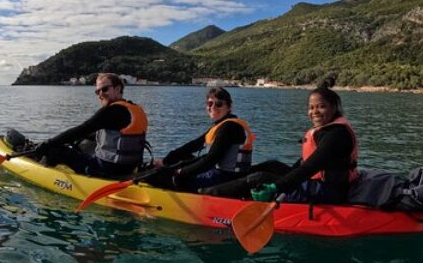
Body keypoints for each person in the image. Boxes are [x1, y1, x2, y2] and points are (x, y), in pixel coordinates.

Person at [203, 82, 358, 205]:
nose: (315, 111)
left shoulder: (337, 134)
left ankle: (209, 195)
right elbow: (305, 162)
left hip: (329, 191)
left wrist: (276, 186)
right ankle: (227, 187)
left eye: (321, 106)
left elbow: (309, 167)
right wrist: (281, 179)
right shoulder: (325, 130)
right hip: (316, 182)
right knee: (271, 165)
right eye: (311, 108)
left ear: (334, 108)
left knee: (259, 178)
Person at [31, 73, 148, 178]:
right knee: (84, 143)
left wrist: (48, 144)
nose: (101, 94)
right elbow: (99, 134)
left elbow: (80, 130)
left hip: (105, 171)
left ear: (118, 89)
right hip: (129, 169)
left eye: (105, 89)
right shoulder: (135, 109)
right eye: (98, 91)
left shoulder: (111, 111)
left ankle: (41, 172)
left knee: (55, 149)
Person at [148, 87, 255, 192]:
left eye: (219, 104)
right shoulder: (222, 124)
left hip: (226, 177)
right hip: (224, 173)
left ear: (229, 107)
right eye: (210, 103)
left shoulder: (228, 127)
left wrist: (180, 172)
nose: (213, 107)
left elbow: (211, 159)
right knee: (183, 158)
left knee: (168, 179)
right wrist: (166, 160)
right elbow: (194, 145)